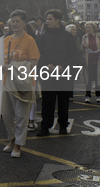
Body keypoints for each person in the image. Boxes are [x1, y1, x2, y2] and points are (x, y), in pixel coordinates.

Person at [0, 10, 40, 158]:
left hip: (23, 84)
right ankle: (11, 140)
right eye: (13, 21)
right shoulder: (7, 39)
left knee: (22, 116)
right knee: (7, 115)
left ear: (24, 23)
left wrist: (13, 67)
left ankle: (18, 145)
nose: (14, 24)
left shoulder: (30, 40)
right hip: (6, 83)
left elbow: (34, 63)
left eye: (17, 21)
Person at [37, 9, 77, 137]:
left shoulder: (67, 36)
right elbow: (40, 53)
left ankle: (63, 125)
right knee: (47, 100)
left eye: (49, 19)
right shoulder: (44, 35)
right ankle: (45, 126)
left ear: (57, 20)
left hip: (63, 72)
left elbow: (73, 55)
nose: (47, 21)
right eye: (47, 19)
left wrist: (62, 66)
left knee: (63, 100)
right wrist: (45, 63)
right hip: (48, 72)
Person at [82, 22, 100, 103]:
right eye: (87, 27)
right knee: (88, 79)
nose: (88, 29)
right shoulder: (84, 37)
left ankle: (98, 95)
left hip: (97, 60)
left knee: (97, 78)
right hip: (88, 61)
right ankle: (88, 95)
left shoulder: (98, 36)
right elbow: (82, 49)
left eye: (89, 27)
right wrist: (83, 47)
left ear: (93, 28)